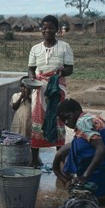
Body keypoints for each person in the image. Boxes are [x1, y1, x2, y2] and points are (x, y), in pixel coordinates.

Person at [27, 15, 74, 167]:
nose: (48, 30)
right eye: (45, 28)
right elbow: (30, 69)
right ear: (41, 30)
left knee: (58, 120)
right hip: (39, 89)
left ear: (57, 30)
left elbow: (70, 68)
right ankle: (35, 159)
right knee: (37, 121)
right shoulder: (35, 49)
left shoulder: (64, 47)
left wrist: (61, 73)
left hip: (57, 89)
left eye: (51, 28)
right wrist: (32, 79)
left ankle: (60, 159)